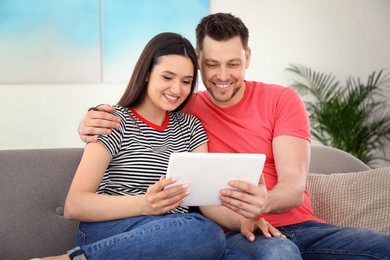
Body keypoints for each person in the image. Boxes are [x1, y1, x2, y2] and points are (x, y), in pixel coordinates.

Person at [78, 13, 390, 259]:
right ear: (199, 59)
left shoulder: (279, 101)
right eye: (212, 64)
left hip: (300, 226)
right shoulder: (184, 107)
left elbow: (293, 188)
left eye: (233, 63)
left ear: (248, 57)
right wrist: (91, 120)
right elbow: (141, 117)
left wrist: (263, 202)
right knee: (266, 250)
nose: (223, 76)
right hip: (235, 232)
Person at [39, 32, 272, 260]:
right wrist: (144, 204)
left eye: (186, 81)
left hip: (173, 236)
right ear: (147, 74)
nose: (176, 89)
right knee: (207, 233)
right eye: (167, 77)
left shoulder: (191, 127)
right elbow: (75, 204)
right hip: (112, 232)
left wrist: (243, 221)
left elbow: (205, 203)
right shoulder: (111, 120)